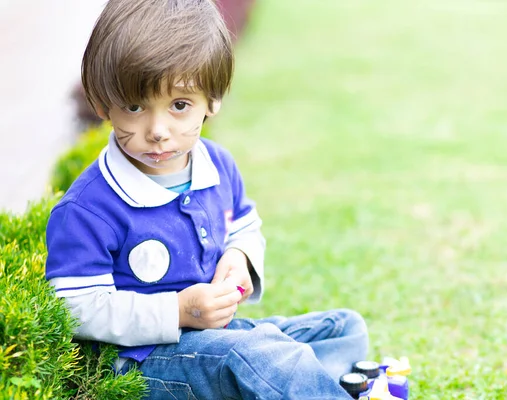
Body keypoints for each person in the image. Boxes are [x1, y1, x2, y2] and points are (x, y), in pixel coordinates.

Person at [44, 0, 368, 398]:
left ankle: (299, 384)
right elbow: (74, 309)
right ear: (102, 104)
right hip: (144, 362)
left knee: (343, 328)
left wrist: (239, 260)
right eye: (134, 107)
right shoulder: (90, 208)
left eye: (179, 106)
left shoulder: (217, 167)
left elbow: (244, 225)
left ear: (212, 101)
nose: (158, 130)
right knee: (258, 359)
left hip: (215, 341)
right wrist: (177, 311)